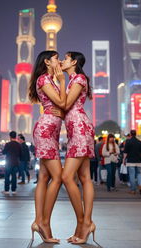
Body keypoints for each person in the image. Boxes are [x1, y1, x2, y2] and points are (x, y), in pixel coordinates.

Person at [58, 51, 95, 244]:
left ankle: (83, 223)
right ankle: (83, 225)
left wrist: (59, 80)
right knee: (84, 177)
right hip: (77, 130)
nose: (62, 61)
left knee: (66, 176)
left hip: (80, 129)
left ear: (73, 62)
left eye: (65, 58)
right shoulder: (75, 79)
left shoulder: (79, 78)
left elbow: (65, 104)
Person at [28, 51, 66, 243]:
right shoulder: (44, 79)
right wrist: (62, 80)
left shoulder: (49, 80)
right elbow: (61, 102)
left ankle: (38, 221)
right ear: (46, 62)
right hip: (45, 130)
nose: (59, 61)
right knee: (58, 177)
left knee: (44, 177)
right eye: (56, 58)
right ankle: (44, 223)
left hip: (52, 131)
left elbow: (60, 105)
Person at [123, 130, 141, 195]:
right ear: (136, 134)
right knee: (138, 173)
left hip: (130, 161)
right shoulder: (140, 142)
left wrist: (124, 160)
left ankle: (133, 190)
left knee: (132, 175)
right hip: (138, 160)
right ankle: (140, 186)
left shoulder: (128, 142)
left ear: (131, 134)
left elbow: (125, 152)